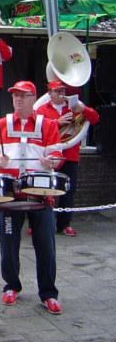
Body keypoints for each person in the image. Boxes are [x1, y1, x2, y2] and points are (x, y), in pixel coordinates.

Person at [0, 80, 63, 315]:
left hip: (40, 195)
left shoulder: (47, 125)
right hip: (10, 196)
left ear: (33, 98)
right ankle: (11, 286)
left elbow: (57, 155)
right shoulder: (0, 124)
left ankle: (48, 293)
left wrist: (51, 162)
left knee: (46, 246)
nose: (18, 99)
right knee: (8, 244)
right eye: (15, 95)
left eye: (23, 95)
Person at [35, 80, 100, 236]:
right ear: (49, 94)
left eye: (63, 91)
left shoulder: (73, 107)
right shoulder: (41, 109)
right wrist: (56, 123)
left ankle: (64, 225)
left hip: (70, 154)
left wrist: (83, 109)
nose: (61, 94)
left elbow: (95, 118)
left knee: (68, 190)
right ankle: (38, 223)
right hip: (49, 154)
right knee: (43, 189)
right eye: (57, 91)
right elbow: (36, 128)